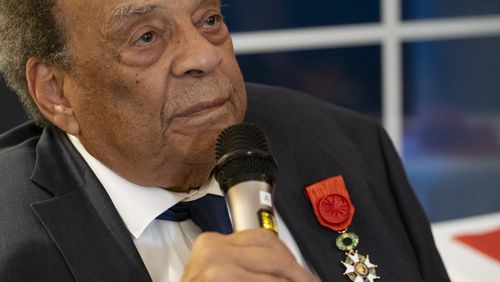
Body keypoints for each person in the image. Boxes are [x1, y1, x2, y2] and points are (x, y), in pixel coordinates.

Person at [0, 0, 449, 281]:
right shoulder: (11, 241)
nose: (203, 54)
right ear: (56, 93)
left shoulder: (341, 141)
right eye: (146, 37)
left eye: (209, 19)